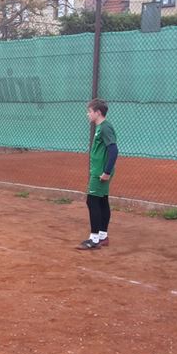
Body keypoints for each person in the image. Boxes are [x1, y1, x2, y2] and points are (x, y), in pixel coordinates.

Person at [77, 98, 118, 250]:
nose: (88, 114)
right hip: (99, 170)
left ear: (98, 112)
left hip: (100, 172)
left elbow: (113, 150)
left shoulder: (105, 127)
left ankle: (94, 239)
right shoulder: (101, 127)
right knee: (102, 201)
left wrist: (106, 172)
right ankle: (102, 236)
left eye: (90, 111)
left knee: (92, 201)